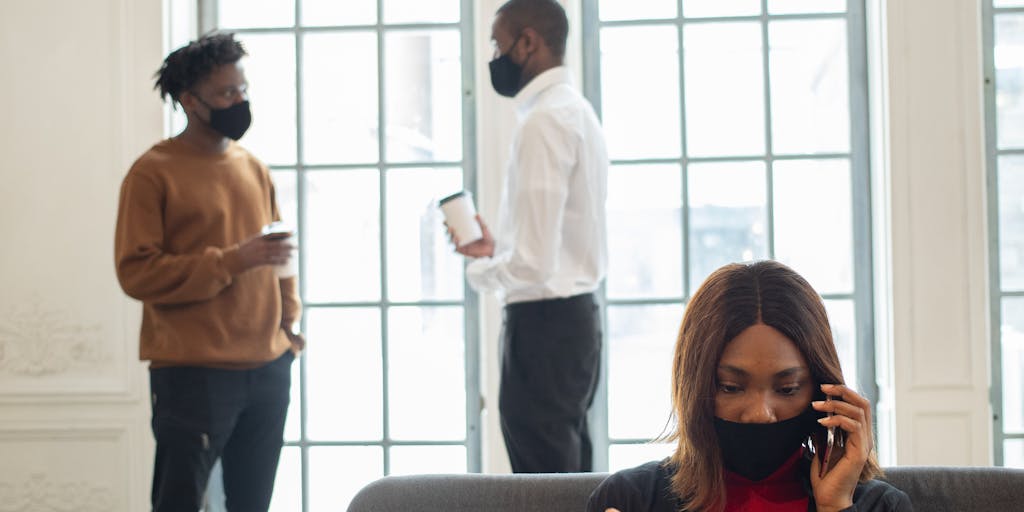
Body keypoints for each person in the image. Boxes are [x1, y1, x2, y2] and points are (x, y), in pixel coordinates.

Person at [114, 32, 304, 512]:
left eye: (243, 90)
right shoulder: (152, 172)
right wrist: (231, 260)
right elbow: (137, 273)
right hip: (193, 375)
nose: (239, 102)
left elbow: (278, 255)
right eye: (226, 94)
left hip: (268, 369)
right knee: (178, 502)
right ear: (190, 101)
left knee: (253, 505)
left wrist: (289, 330)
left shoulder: (253, 167)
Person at [587, 261, 913, 512]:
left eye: (787, 389)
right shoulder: (630, 499)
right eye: (731, 387)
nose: (760, 414)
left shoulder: (880, 506)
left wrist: (836, 507)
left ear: (821, 390)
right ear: (695, 387)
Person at [450, 0, 609, 473]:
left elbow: (535, 266)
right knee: (570, 474)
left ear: (528, 43)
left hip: (544, 328)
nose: (494, 57)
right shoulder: (576, 112)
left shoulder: (543, 121)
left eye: (498, 45)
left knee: (542, 483)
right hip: (574, 320)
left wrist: (480, 270)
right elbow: (557, 243)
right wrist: (497, 248)